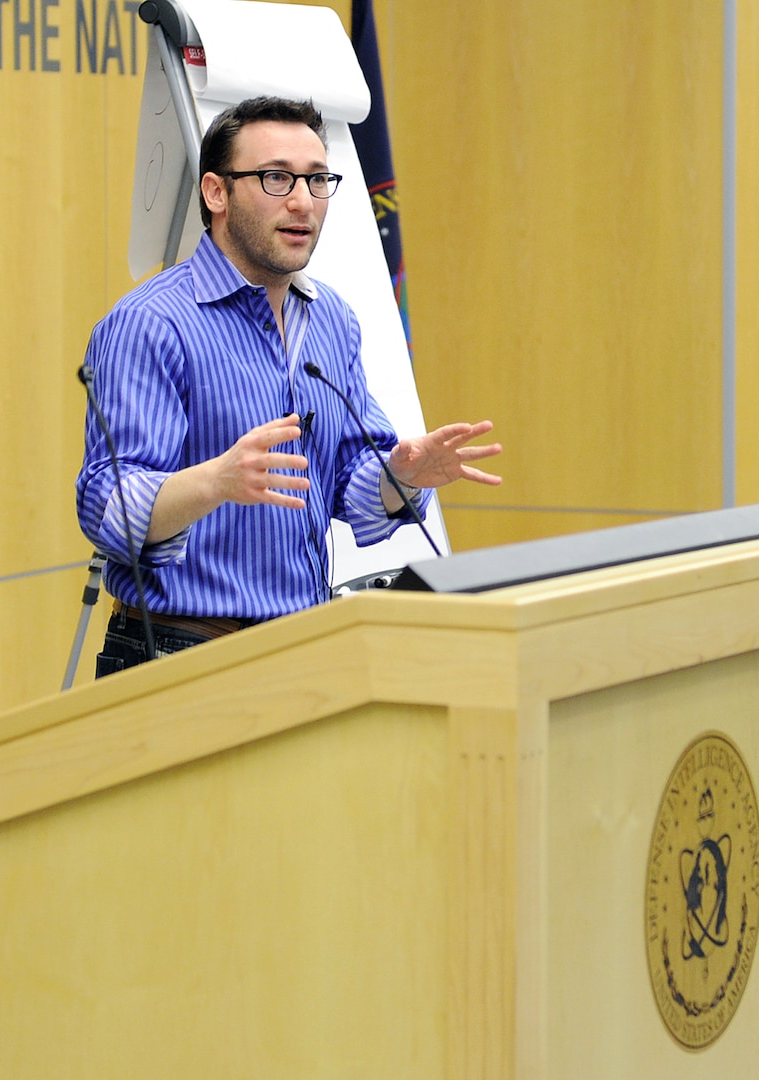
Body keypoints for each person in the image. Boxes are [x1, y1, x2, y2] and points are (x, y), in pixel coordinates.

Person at [76, 95, 501, 676]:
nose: (303, 202)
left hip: (303, 651)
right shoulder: (151, 324)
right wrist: (216, 481)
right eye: (277, 178)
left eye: (317, 179)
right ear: (216, 193)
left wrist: (400, 476)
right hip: (177, 654)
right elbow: (108, 507)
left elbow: (350, 485)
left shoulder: (333, 320)